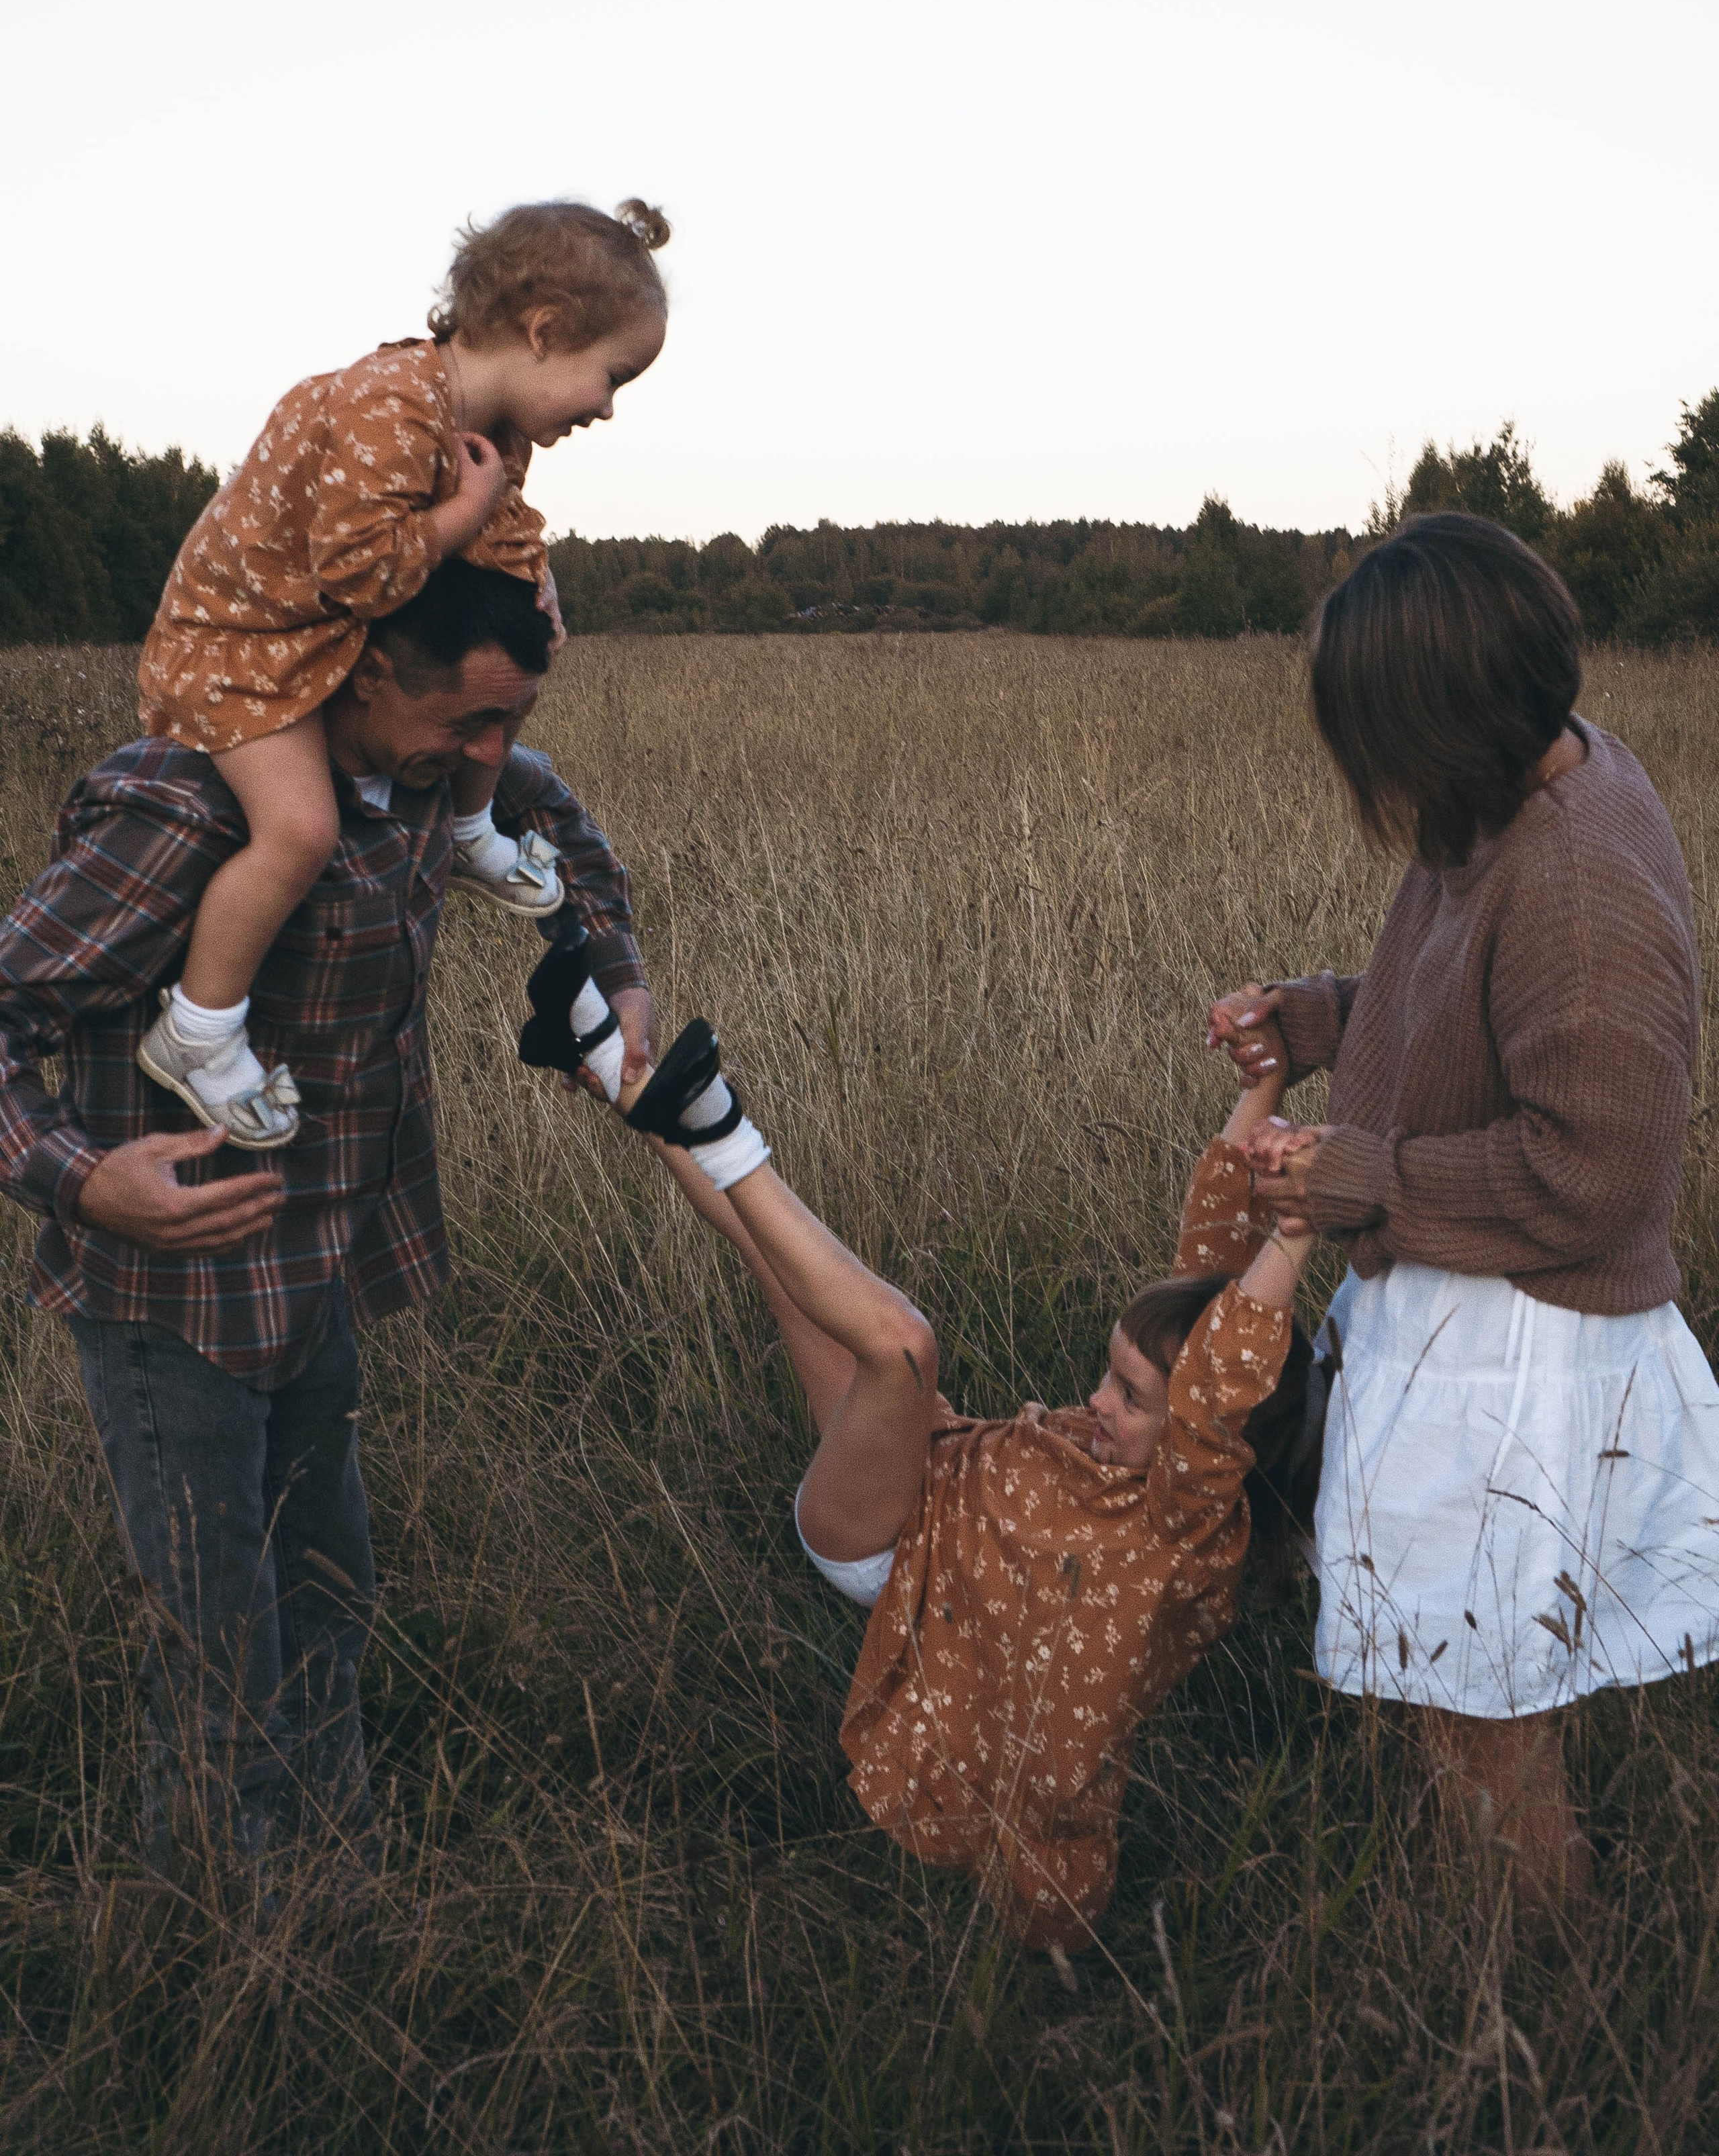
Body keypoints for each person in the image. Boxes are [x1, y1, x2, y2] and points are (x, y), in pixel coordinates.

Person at [0, 558, 655, 1875]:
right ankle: (214, 1947)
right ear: (364, 672)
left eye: (507, 723)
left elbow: (562, 833)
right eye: (467, 721)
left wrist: (619, 979)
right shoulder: (188, 808)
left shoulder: (441, 777)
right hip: (171, 1303)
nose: (490, 755)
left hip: (316, 1275)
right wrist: (80, 1177)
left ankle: (331, 1881)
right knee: (218, 1643)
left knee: (328, 1595)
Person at [1209, 510, 1718, 1907]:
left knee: (1487, 1714)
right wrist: (1322, 1017)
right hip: (1473, 1319)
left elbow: (1599, 1171)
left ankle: (1534, 1997)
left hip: (1522, 1355)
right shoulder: (1509, 794)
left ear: (1444, 719)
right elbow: (1476, 1027)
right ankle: (1498, 1950)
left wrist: (1363, 1177)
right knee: (1469, 1696)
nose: (1367, 775)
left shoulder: (1574, 875)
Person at [588, 1009, 1320, 1953]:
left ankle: (719, 1119)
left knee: (900, 1345)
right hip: (929, 1466)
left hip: (890, 1546)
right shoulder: (1166, 1416)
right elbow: (1211, 1249)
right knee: (782, 1273)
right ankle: (612, 1064)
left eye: (1130, 1399)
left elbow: (1223, 1381)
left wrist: (1299, 1228)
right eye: (1109, 1376)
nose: (1096, 1402)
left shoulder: (1188, 1521)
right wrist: (1271, 1080)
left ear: (1213, 1443)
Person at [132, 197, 670, 1149]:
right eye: (611, 375)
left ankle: (468, 830)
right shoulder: (388, 402)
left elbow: (498, 545)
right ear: (545, 332)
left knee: (522, 665)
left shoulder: (495, 436)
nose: (607, 407)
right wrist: (470, 510)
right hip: (239, 654)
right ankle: (198, 1031)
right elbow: (362, 568)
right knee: (298, 830)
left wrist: (534, 589)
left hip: (316, 642)